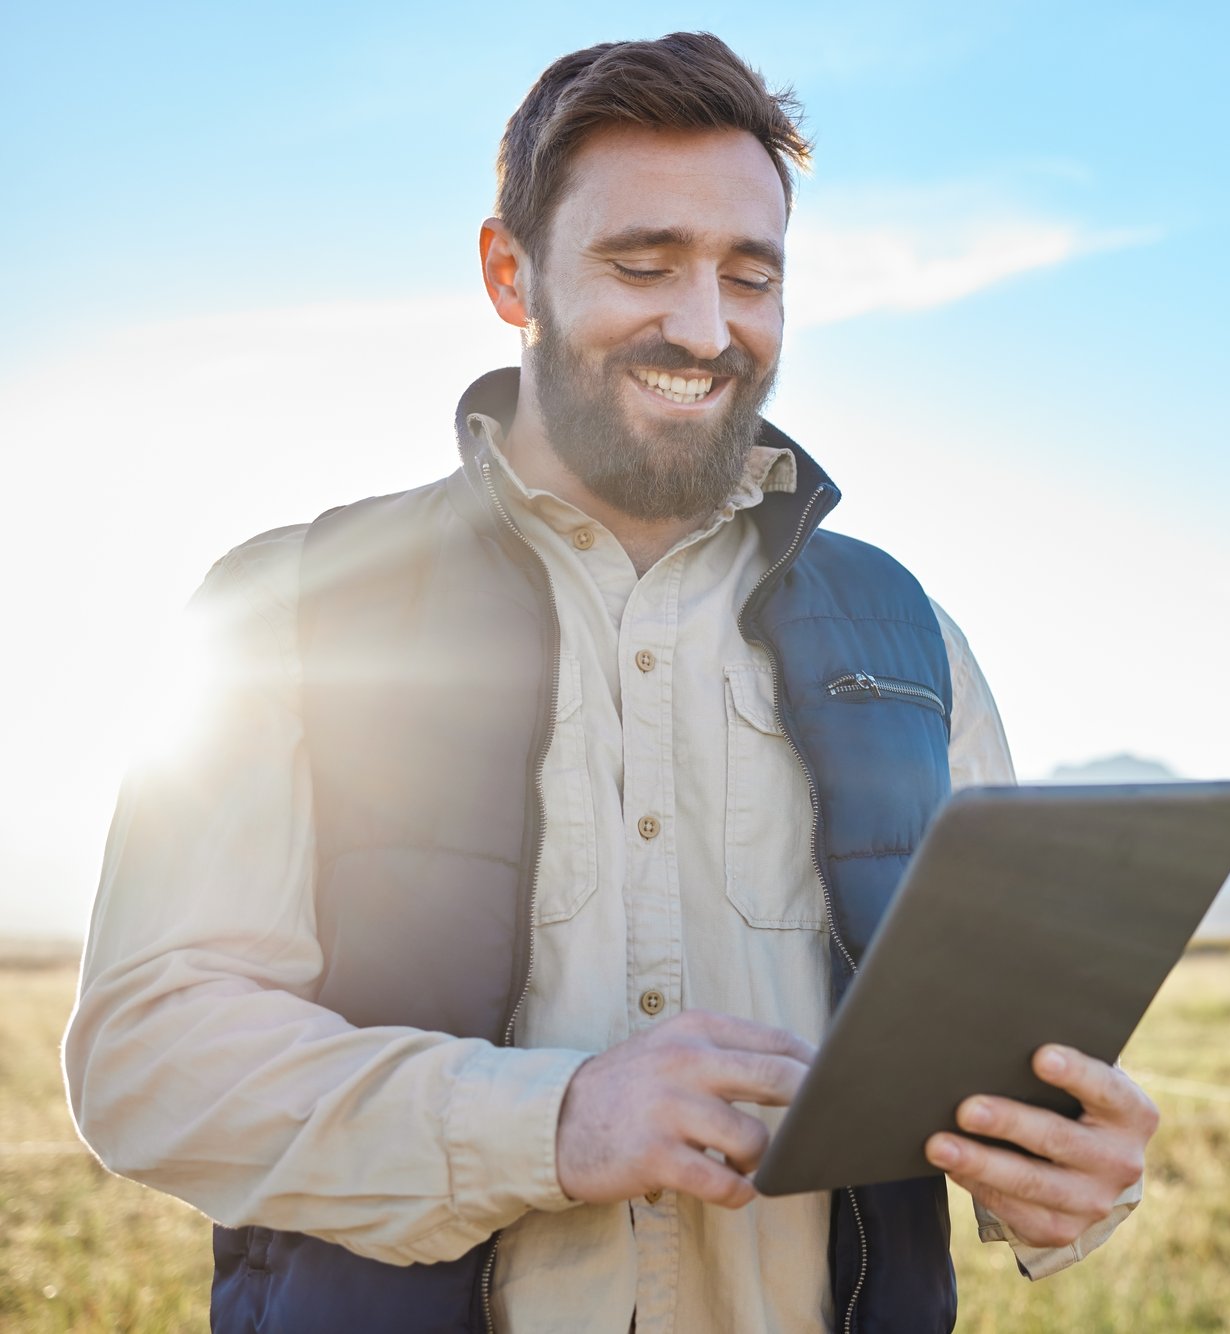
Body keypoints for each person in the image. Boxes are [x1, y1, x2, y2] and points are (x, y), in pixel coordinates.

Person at [65, 32, 1154, 1334]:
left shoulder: (914, 636)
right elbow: (146, 1057)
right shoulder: (285, 605)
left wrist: (1065, 1173)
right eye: (644, 265)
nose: (704, 327)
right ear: (508, 272)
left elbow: (991, 1045)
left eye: (751, 275)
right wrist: (557, 1120)